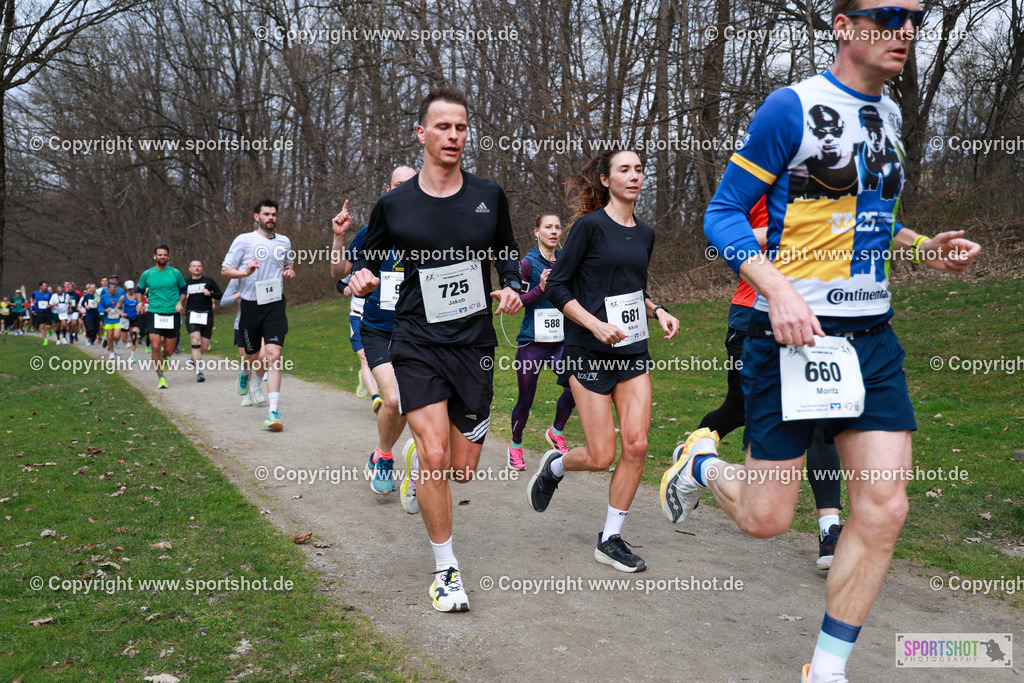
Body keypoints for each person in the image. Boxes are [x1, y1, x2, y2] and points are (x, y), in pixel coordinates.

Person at [658, 3, 981, 680]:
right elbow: (721, 213)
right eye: (888, 15)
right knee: (767, 519)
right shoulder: (790, 107)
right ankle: (698, 464)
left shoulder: (889, 118)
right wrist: (776, 289)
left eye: (914, 18)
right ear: (842, 25)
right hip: (788, 339)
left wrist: (925, 250)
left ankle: (825, 670)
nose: (904, 31)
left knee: (886, 507)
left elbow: (867, 225)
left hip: (870, 336)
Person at [348, 85, 522, 612]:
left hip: (474, 346)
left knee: (462, 468)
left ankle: (420, 459)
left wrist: (514, 284)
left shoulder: (489, 195)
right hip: (416, 339)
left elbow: (509, 256)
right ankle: (446, 570)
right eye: (443, 127)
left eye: (461, 127)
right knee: (437, 456)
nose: (453, 135)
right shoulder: (395, 205)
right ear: (421, 134)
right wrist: (356, 279)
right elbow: (362, 264)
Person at [527, 149, 678, 573]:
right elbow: (557, 287)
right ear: (607, 181)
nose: (634, 176)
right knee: (600, 455)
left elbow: (632, 288)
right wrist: (594, 325)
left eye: (639, 170)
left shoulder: (645, 233)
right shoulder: (589, 228)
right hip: (589, 353)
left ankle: (610, 538)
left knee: (638, 445)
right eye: (624, 170)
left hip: (631, 351)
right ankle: (555, 466)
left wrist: (658, 310)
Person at [699, 196, 846, 570]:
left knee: (817, 417)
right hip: (753, 315)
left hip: (812, 311)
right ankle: (695, 458)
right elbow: (724, 237)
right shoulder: (761, 176)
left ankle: (830, 531)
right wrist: (789, 234)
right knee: (735, 412)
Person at [332, 166, 417, 495]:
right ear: (388, 189)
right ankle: (384, 457)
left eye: (410, 186)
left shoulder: (428, 234)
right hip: (379, 330)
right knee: (393, 399)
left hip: (415, 332)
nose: (403, 191)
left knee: (408, 403)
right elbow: (338, 271)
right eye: (398, 185)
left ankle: (381, 451)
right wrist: (339, 236)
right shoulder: (373, 231)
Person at [507, 212, 577, 470]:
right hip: (532, 342)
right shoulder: (527, 263)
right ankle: (515, 446)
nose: (554, 231)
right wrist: (540, 288)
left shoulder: (565, 261)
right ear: (537, 231)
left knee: (575, 388)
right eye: (548, 227)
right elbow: (515, 304)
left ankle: (556, 431)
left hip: (560, 342)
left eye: (558, 227)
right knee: (526, 400)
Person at [221, 199, 295, 430]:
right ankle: (245, 373)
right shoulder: (244, 240)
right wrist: (245, 272)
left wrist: (290, 270)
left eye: (274, 214)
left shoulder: (284, 241)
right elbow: (225, 270)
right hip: (250, 306)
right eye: (266, 214)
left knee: (273, 355)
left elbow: (288, 264)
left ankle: (273, 413)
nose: (271, 217)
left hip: (274, 304)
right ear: (257, 217)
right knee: (252, 356)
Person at [137, 244, 187, 389]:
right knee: (155, 345)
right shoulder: (147, 274)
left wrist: (180, 302)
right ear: (155, 257)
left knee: (169, 350)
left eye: (165, 255)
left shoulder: (175, 273)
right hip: (154, 313)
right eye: (160, 255)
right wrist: (140, 303)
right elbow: (139, 289)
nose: (162, 257)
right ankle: (161, 377)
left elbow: (184, 289)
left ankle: (165, 356)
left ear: (168, 257)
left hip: (172, 313)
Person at [183, 260, 223, 383]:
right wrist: (184, 296)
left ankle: (193, 359)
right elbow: (176, 296)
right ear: (190, 269)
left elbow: (220, 295)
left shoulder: (209, 281)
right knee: (195, 340)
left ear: (202, 268)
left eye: (199, 266)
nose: (197, 268)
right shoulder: (185, 282)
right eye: (194, 266)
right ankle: (199, 372)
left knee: (204, 346)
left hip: (206, 315)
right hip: (192, 314)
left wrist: (210, 293)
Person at [98, 281, 124, 360]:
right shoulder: (104, 297)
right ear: (108, 289)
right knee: (109, 336)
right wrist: (105, 310)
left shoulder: (120, 296)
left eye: (114, 288)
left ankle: (115, 343)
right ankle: (112, 352)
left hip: (117, 319)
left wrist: (122, 311)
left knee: (116, 335)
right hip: (108, 320)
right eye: (111, 288)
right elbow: (99, 307)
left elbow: (124, 305)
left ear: (116, 288)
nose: (112, 289)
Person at [121, 281, 143, 364]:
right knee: (123, 339)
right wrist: (121, 313)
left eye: (132, 289)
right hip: (125, 319)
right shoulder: (123, 297)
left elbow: (142, 304)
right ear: (126, 288)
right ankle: (125, 342)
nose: (130, 291)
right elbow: (116, 308)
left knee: (134, 335)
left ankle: (132, 355)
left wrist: (141, 308)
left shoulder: (137, 296)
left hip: (135, 318)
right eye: (129, 289)